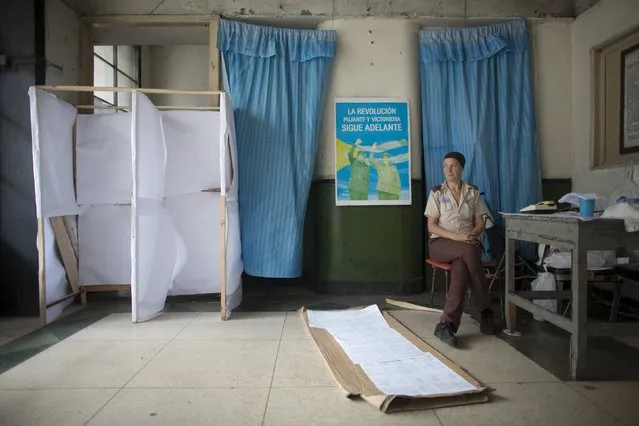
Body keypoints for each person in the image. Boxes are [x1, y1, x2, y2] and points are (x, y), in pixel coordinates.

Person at [424, 152, 495, 347]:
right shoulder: (437, 192)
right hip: (440, 244)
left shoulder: (472, 192)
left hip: (467, 242)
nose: (448, 169)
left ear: (461, 168)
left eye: (453, 165)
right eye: (445, 166)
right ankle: (486, 310)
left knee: (461, 267)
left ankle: (446, 325)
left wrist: (471, 234)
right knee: (469, 252)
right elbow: (432, 226)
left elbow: (480, 222)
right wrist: (459, 237)